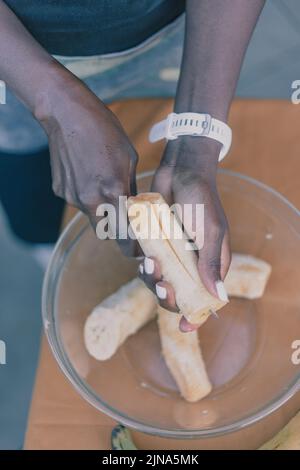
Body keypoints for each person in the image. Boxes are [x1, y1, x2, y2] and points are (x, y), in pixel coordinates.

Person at [0, 0, 265, 331]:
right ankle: (54, 259)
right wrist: (50, 100)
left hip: (159, 42)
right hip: (9, 67)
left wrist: (193, 140)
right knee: (31, 200)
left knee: (145, 140)